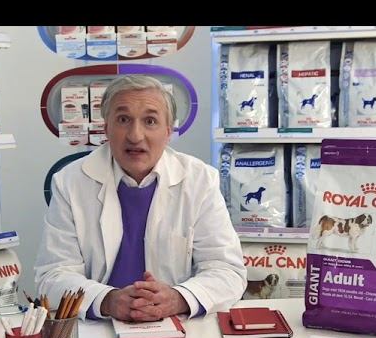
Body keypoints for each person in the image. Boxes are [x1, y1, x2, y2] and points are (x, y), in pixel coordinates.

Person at [35, 75, 246, 322]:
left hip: (177, 325)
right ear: (106, 128)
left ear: (168, 132)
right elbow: (53, 275)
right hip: (98, 325)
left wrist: (177, 299)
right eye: (123, 120)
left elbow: (227, 271)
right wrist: (107, 300)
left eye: (150, 121)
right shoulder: (70, 182)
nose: (135, 136)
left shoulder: (200, 180)